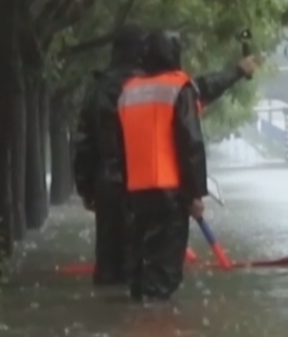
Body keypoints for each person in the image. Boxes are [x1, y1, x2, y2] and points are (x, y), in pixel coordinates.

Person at [116, 32, 209, 303]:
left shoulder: (128, 90)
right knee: (163, 275)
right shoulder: (180, 87)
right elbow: (190, 142)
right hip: (169, 193)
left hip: (135, 193)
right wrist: (195, 194)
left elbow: (121, 146)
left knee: (139, 270)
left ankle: (134, 334)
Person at [71, 25, 148, 285]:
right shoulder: (152, 87)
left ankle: (104, 317)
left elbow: (83, 141)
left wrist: (85, 188)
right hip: (145, 181)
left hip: (107, 179)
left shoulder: (98, 88)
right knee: (140, 260)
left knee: (108, 259)